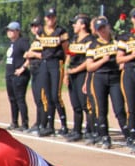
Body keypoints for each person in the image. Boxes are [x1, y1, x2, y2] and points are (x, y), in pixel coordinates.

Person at [86, 16, 128, 149]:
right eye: (99, 29)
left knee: (119, 109)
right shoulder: (93, 45)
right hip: (99, 78)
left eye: (104, 27)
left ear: (109, 27)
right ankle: (105, 137)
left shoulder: (117, 42)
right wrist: (102, 60)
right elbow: (89, 67)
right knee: (101, 109)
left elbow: (122, 58)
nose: (102, 31)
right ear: (96, 31)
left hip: (115, 78)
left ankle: (129, 136)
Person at [35, 7, 69, 136]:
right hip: (45, 63)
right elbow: (38, 47)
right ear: (45, 18)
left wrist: (66, 68)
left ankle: (64, 125)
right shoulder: (41, 31)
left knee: (56, 96)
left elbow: (66, 50)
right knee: (48, 96)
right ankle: (50, 125)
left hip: (56, 63)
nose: (50, 19)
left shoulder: (61, 31)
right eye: (48, 17)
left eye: (53, 17)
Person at [65, 14, 94, 142]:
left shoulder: (90, 40)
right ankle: (77, 130)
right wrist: (66, 73)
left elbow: (88, 61)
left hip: (82, 74)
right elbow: (69, 57)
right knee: (75, 104)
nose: (73, 25)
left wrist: (76, 70)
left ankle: (90, 130)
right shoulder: (74, 39)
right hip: (72, 75)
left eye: (75, 23)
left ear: (83, 25)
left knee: (85, 105)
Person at [4, 21, 31, 131]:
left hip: (19, 76)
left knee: (20, 99)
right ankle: (14, 122)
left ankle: (24, 123)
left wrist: (23, 68)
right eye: (8, 30)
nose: (9, 32)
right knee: (12, 99)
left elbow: (30, 55)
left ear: (18, 31)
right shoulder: (11, 43)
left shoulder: (22, 42)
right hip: (10, 75)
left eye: (12, 30)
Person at [116, 9, 135, 150]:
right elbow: (119, 58)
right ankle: (132, 137)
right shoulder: (126, 37)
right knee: (132, 106)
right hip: (129, 72)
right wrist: (132, 55)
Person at [24, 18, 46, 135]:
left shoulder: (45, 39)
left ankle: (44, 123)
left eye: (37, 26)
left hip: (43, 70)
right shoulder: (34, 41)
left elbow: (48, 55)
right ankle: (38, 122)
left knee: (43, 98)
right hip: (34, 71)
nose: (35, 29)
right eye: (33, 26)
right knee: (37, 98)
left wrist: (33, 54)